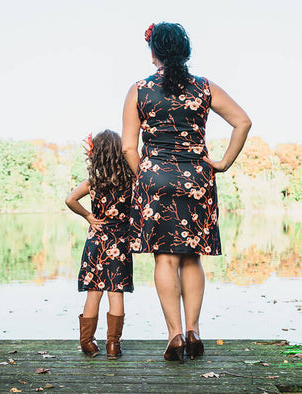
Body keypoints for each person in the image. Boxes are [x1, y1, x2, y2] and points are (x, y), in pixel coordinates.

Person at [122, 22, 251, 362]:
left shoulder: (139, 90)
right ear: (184, 50)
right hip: (196, 177)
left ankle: (174, 336)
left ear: (154, 53)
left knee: (165, 257)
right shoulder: (204, 87)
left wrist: (147, 176)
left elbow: (127, 149)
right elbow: (243, 122)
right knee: (192, 256)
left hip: (155, 179)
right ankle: (194, 330)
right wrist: (222, 162)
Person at [65, 130, 135, 360]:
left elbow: (70, 199)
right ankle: (113, 345)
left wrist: (88, 216)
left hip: (96, 242)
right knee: (116, 294)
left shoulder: (93, 183)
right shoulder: (130, 182)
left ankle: (87, 343)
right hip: (120, 243)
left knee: (93, 293)